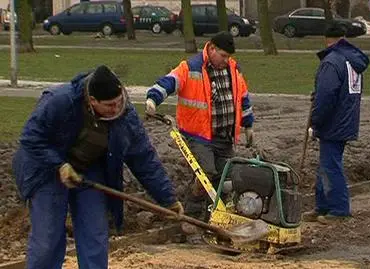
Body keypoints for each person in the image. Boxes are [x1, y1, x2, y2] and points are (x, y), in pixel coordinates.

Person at [12, 65, 184, 269]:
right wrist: (59, 164)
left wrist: (167, 198)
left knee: (94, 232)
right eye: (110, 105)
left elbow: (143, 158)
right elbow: (31, 138)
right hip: (47, 169)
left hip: (90, 169)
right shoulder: (60, 101)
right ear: (92, 101)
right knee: (48, 238)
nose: (116, 108)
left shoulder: (125, 115)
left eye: (119, 101)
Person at [145, 31, 254, 226]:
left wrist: (248, 125)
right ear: (211, 48)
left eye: (229, 56)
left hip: (225, 136)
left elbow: (242, 97)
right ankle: (192, 216)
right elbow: (169, 82)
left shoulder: (233, 69)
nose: (226, 60)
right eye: (223, 55)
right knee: (206, 174)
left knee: (227, 179)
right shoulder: (191, 68)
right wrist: (153, 99)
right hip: (198, 135)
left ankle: (217, 218)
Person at [303, 22, 370, 223]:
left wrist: (315, 121)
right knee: (326, 164)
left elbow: (326, 96)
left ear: (327, 39)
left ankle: (339, 210)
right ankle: (323, 206)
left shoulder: (332, 62)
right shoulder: (352, 60)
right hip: (346, 118)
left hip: (333, 121)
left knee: (331, 165)